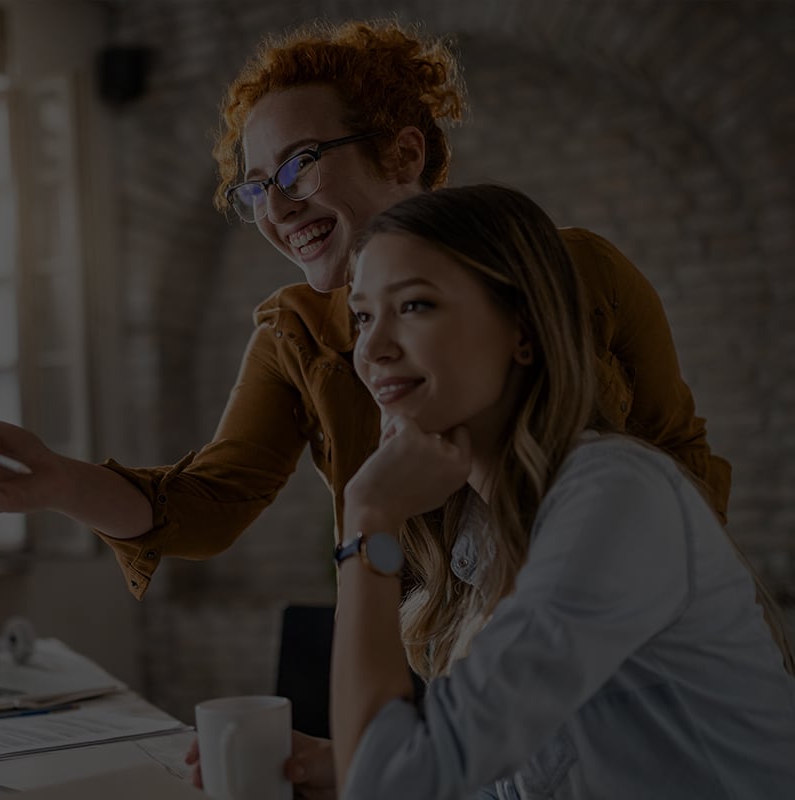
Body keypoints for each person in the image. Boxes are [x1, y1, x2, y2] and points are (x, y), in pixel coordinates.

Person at [0, 18, 733, 796]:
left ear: (405, 152)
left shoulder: (576, 279)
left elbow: (679, 466)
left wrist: (630, 613)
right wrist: (56, 485)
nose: (279, 207)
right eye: (256, 187)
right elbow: (210, 504)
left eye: (298, 165)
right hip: (420, 663)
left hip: (608, 664)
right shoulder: (295, 330)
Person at [332, 183, 795, 799]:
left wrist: (368, 520)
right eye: (363, 315)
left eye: (414, 305)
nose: (372, 347)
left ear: (522, 330)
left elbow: (387, 788)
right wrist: (348, 769)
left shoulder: (616, 496)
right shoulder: (483, 528)